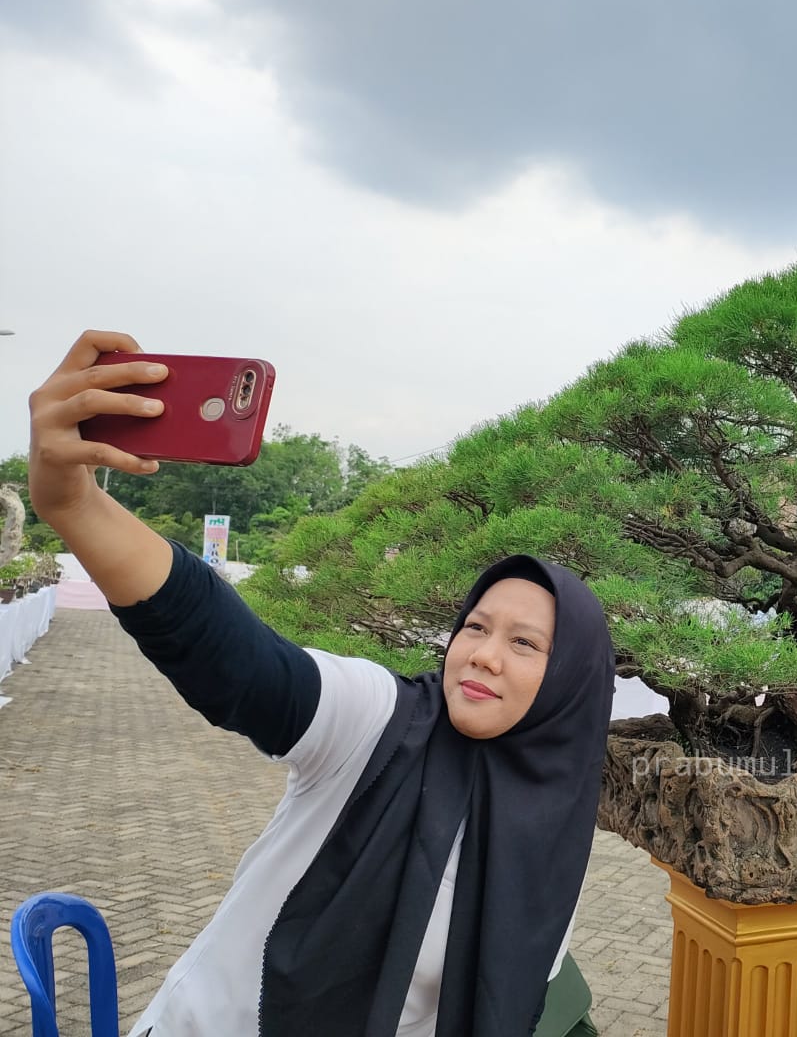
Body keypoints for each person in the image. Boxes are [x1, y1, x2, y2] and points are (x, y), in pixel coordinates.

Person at [26, 331, 614, 1036]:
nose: (485, 655)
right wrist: (75, 506)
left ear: (572, 683)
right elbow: (240, 661)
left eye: (525, 644)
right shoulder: (378, 722)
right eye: (477, 627)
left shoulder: (559, 832)